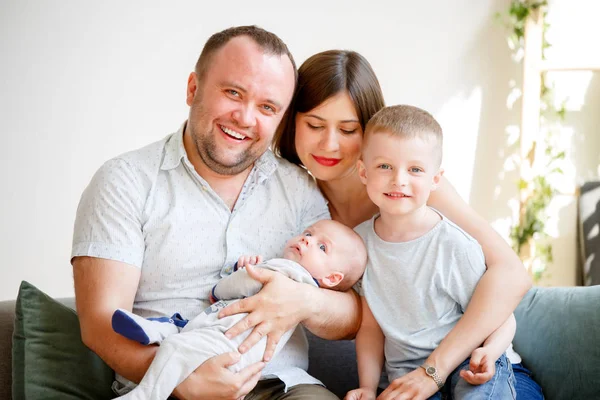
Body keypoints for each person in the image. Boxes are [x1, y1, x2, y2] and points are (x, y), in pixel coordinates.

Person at [72, 26, 362, 400]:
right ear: (193, 89)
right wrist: (180, 380)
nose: (244, 117)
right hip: (166, 382)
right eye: (233, 93)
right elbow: (100, 324)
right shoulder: (125, 181)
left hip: (281, 386)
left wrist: (305, 301)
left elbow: (353, 316)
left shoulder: (300, 189)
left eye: (267, 107)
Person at [273, 50, 543, 399]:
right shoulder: (293, 203)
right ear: (292, 122)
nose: (330, 144)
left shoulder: (414, 191)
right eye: (314, 125)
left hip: (473, 369)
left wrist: (434, 370)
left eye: (348, 129)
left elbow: (511, 274)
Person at [345, 105, 517, 400]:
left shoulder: (454, 245)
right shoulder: (359, 243)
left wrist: (489, 351)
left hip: (470, 361)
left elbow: (502, 317)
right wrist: (368, 387)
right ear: (363, 171)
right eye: (385, 166)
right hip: (407, 375)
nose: (399, 179)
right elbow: (371, 327)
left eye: (415, 169)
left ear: (435, 179)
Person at [111, 219, 367, 400]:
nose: (307, 240)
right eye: (308, 234)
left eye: (322, 247)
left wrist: (240, 275)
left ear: (333, 279)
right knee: (183, 341)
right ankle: (160, 330)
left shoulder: (284, 271)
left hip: (229, 347)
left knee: (178, 346)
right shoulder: (288, 272)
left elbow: (226, 289)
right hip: (233, 354)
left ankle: (148, 375)